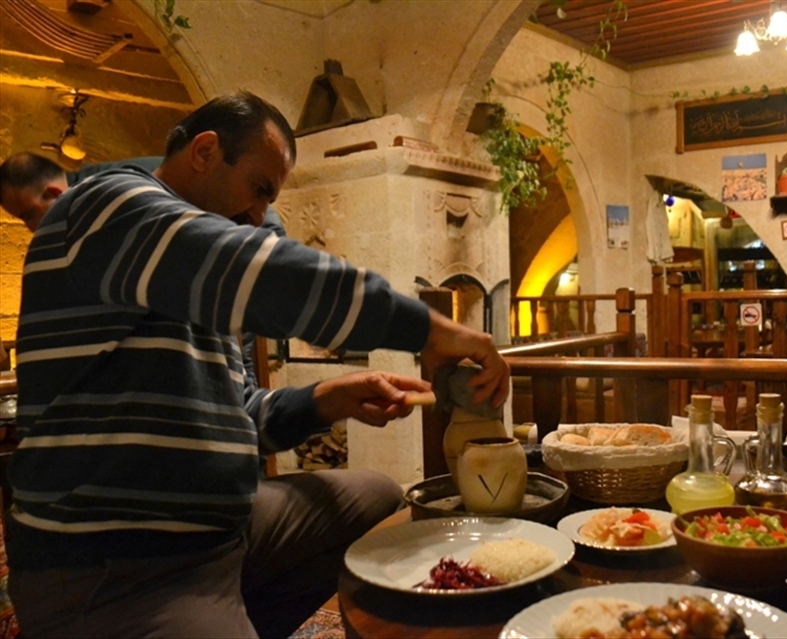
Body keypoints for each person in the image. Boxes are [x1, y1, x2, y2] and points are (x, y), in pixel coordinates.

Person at [5, 90, 510, 638]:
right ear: (204, 151)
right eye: (260, 188)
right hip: (117, 566)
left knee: (378, 498)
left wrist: (327, 400)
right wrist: (431, 331)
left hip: (220, 533)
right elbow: (268, 274)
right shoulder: (105, 204)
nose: (261, 214)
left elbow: (237, 415)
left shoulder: (192, 279)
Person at [0, 151, 283, 390]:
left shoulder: (100, 202)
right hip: (229, 243)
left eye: (27, 216)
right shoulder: (89, 203)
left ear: (53, 193)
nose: (30, 229)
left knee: (234, 364)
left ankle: (248, 424)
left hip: (249, 229)